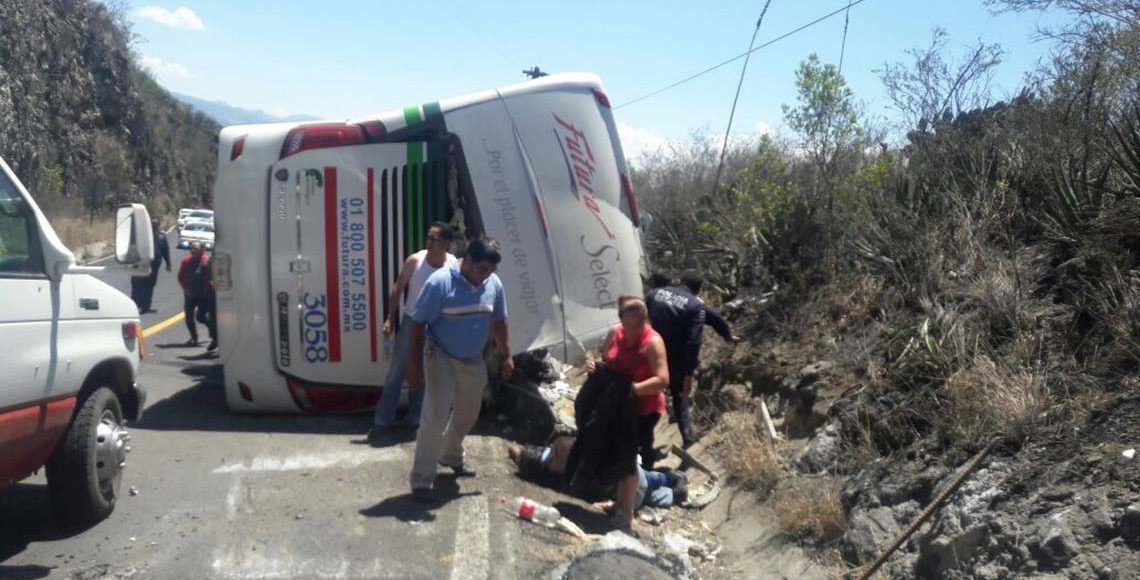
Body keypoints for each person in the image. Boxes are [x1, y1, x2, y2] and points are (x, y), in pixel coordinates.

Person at [406, 238, 513, 502]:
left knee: (469, 412)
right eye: (481, 269)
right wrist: (413, 365)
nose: (484, 276)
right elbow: (417, 324)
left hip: (472, 357)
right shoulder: (440, 283)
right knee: (436, 414)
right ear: (468, 261)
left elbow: (499, 320)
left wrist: (507, 354)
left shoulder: (493, 285)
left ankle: (451, 455)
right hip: (440, 353)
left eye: (490, 271)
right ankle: (421, 480)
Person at [369, 223, 459, 438]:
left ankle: (415, 418)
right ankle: (382, 420)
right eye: (428, 238)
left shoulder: (453, 264)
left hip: (437, 324)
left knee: (425, 372)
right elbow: (397, 288)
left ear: (447, 243)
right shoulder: (415, 261)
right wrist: (390, 318)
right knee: (397, 372)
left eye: (434, 239)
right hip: (412, 323)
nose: (428, 242)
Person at [587, 295, 669, 528]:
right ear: (621, 319)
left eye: (637, 324)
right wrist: (594, 366)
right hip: (616, 406)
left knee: (628, 457)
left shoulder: (653, 342)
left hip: (643, 408)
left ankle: (627, 512)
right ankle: (617, 503)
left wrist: (631, 390)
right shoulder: (616, 333)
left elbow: (662, 380)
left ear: (645, 320)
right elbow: (606, 360)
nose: (632, 329)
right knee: (616, 453)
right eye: (627, 323)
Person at [645, 271, 740, 449]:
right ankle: (688, 437)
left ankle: (641, 444)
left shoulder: (655, 293)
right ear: (698, 291)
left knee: (644, 396)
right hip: (674, 358)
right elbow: (695, 339)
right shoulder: (695, 305)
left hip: (649, 352)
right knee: (679, 396)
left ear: (679, 281)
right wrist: (689, 373)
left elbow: (640, 319)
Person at [178, 241, 215, 348]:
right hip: (190, 294)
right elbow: (181, 277)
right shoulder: (186, 261)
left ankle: (213, 333)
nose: (192, 251)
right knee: (188, 316)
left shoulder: (206, 261)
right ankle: (194, 337)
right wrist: (186, 289)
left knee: (201, 317)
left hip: (204, 295)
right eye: (191, 248)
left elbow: (212, 278)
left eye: (195, 249)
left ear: (202, 250)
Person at [132, 217, 171, 313]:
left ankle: (146, 307)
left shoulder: (162, 237)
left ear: (158, 226)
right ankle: (134, 306)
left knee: (150, 286)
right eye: (152, 224)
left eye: (155, 225)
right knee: (138, 285)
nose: (154, 227)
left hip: (154, 267)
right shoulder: (142, 235)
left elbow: (166, 250)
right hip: (141, 264)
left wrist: (168, 263)